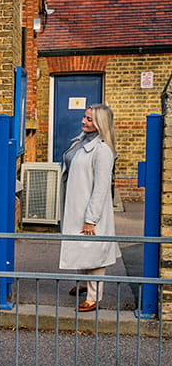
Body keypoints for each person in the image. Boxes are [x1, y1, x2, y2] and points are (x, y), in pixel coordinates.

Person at [58, 104, 120, 312]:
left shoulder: (103, 151)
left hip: (90, 209)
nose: (83, 122)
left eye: (89, 120)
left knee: (94, 251)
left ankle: (94, 297)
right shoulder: (81, 141)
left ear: (100, 123)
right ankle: (84, 284)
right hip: (75, 202)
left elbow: (101, 189)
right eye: (84, 117)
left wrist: (90, 218)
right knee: (80, 245)